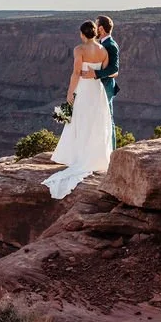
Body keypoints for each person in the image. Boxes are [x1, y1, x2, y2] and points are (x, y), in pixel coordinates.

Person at [42, 20, 114, 199]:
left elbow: (75, 73)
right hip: (97, 92)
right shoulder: (103, 50)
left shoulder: (79, 50)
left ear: (82, 34)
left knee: (80, 122)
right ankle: (95, 158)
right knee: (96, 123)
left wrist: (70, 93)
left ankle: (79, 158)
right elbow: (104, 73)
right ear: (95, 33)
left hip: (83, 89)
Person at [81, 15, 119, 147]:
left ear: (101, 29)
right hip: (99, 85)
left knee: (108, 119)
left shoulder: (110, 45)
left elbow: (114, 68)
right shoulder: (102, 45)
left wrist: (95, 73)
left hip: (107, 86)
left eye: (96, 26)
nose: (94, 30)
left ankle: (112, 152)